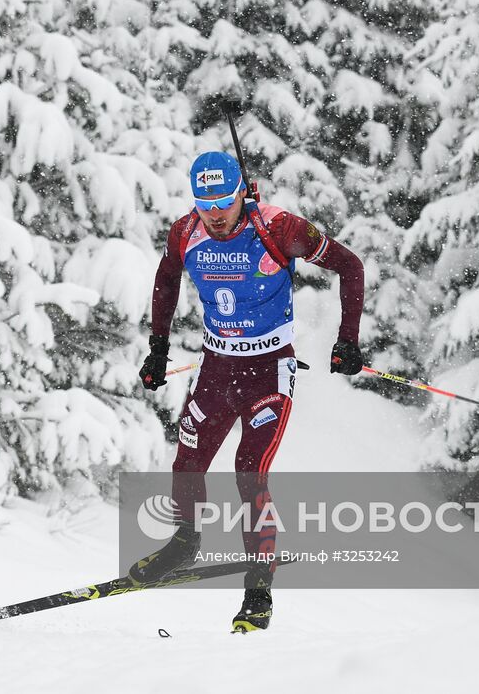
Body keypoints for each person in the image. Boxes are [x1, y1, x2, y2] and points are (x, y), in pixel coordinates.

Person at [130, 150, 366, 632]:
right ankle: (184, 543)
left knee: (247, 472)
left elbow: (351, 265)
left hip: (268, 373)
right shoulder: (185, 232)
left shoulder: (279, 228)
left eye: (223, 201)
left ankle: (258, 591)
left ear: (242, 191)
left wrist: (348, 341)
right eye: (204, 203)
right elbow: (166, 278)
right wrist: (157, 349)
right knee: (188, 460)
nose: (214, 214)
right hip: (217, 370)